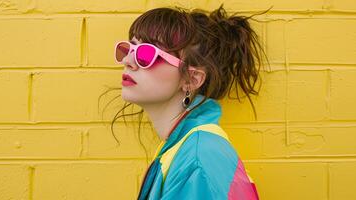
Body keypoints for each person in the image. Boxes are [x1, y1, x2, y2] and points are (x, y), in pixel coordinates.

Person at [111, 4, 271, 200]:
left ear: (191, 79)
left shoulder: (198, 159)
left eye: (146, 54)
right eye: (130, 49)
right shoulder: (183, 147)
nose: (128, 60)